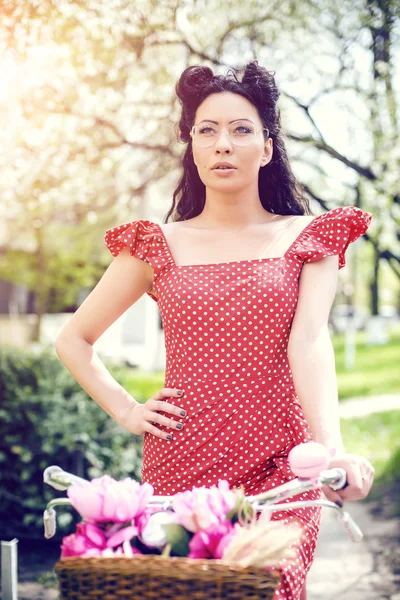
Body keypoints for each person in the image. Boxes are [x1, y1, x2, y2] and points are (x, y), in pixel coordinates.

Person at [55, 61, 375, 600]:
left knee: (268, 589)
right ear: (193, 149)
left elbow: (310, 343)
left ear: (268, 148)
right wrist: (129, 411)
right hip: (181, 464)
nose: (223, 143)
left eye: (241, 129)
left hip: (284, 468)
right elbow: (74, 339)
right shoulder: (154, 244)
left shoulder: (307, 237)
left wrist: (333, 451)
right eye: (207, 131)